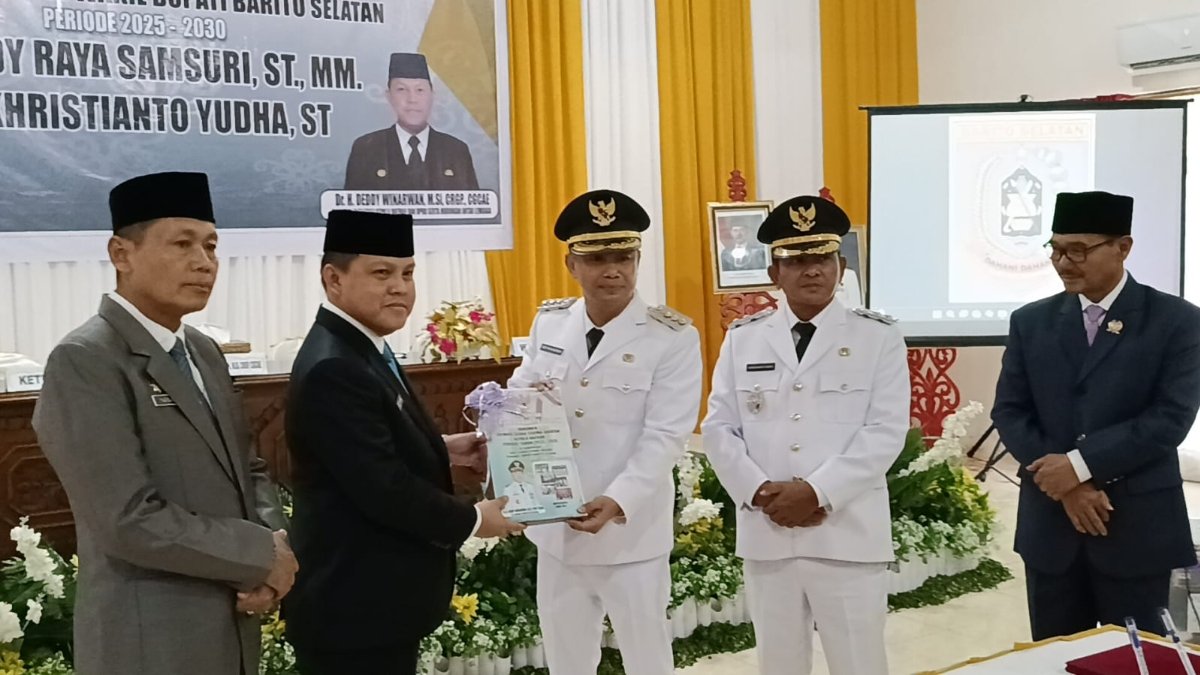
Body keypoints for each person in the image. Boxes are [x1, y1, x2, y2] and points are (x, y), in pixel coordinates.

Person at [32, 171, 297, 675]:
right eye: (182, 243)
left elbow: (249, 468)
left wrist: (275, 547)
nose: (203, 262)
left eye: (211, 246)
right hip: (151, 640)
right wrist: (257, 554)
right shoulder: (86, 359)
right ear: (121, 254)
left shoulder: (202, 350)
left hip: (232, 627)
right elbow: (127, 518)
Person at [283, 209, 522, 674]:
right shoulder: (335, 366)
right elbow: (384, 489)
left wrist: (442, 448)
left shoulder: (359, 344)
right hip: (353, 612)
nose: (400, 287)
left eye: (407, 273)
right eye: (382, 273)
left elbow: (365, 448)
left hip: (372, 609)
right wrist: (476, 519)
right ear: (333, 279)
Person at [701, 195, 910, 675]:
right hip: (768, 530)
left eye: (822, 258)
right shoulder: (744, 337)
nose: (812, 270)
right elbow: (719, 427)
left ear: (841, 266)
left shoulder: (877, 336)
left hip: (847, 534)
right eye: (796, 260)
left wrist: (816, 492)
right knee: (778, 664)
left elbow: (885, 432)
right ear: (774, 273)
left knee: (859, 664)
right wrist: (759, 491)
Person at [508, 189, 702, 675]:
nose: (612, 270)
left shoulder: (672, 336)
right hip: (558, 528)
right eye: (596, 259)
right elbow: (523, 399)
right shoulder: (551, 324)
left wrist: (618, 499)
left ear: (637, 261)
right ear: (572, 264)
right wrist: (497, 418)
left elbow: (666, 434)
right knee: (567, 661)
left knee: (647, 661)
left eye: (623, 258)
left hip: (631, 534)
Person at [992, 190, 1200, 640]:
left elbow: (1170, 419)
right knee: (1055, 659)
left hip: (1136, 529)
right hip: (1051, 531)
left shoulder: (1177, 321)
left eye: (1078, 250)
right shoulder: (1031, 322)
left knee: (1135, 659)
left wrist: (1079, 467)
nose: (1064, 263)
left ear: (1123, 247)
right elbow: (1009, 410)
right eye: (1055, 250)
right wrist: (1066, 484)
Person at [344, 52, 479, 191]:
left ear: (432, 95)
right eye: (401, 90)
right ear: (389, 96)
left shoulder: (456, 150)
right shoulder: (366, 148)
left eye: (420, 90)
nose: (412, 99)